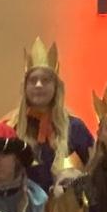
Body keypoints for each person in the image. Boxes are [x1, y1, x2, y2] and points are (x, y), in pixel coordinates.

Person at [10, 37, 94, 188]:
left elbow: (93, 175)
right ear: (25, 87)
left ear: (56, 87)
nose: (39, 85)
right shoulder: (12, 128)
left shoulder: (75, 128)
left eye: (46, 80)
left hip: (66, 209)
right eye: (33, 80)